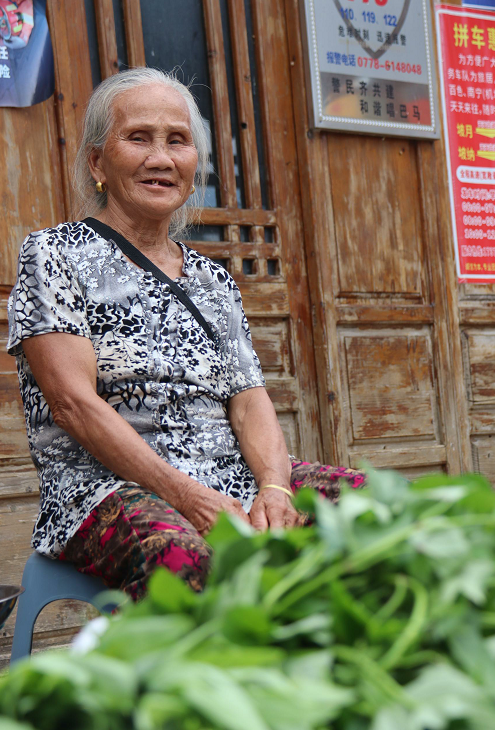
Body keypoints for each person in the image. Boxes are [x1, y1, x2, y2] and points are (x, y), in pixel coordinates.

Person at [7, 68, 365, 600]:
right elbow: (72, 405)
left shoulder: (212, 280)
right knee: (193, 561)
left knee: (377, 510)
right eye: (138, 138)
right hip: (109, 488)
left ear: (194, 165)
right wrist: (188, 496)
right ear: (97, 162)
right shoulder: (55, 255)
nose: (161, 158)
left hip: (229, 478)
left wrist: (274, 488)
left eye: (177, 141)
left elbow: (249, 400)